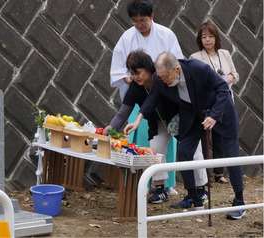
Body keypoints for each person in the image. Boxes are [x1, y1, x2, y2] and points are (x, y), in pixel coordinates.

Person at [124, 51, 245, 219]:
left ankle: (239, 201)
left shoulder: (198, 68)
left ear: (177, 69)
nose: (163, 81)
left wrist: (214, 116)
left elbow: (223, 88)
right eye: (160, 77)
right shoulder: (161, 78)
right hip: (194, 116)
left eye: (166, 77)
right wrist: (138, 120)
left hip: (221, 111)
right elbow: (152, 98)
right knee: (184, 152)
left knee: (231, 156)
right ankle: (196, 199)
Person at [105, 50, 208, 205]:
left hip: (182, 119)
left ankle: (201, 189)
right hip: (158, 124)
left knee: (194, 151)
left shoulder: (163, 78)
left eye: (138, 72)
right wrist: (109, 129)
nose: (135, 77)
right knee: (155, 151)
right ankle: (160, 190)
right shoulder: (135, 87)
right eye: (132, 73)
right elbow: (122, 113)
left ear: (148, 68)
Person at [110, 0, 184, 195]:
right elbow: (119, 69)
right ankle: (144, 182)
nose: (139, 25)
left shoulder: (166, 34)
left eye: (142, 20)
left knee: (169, 142)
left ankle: (169, 184)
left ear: (151, 16)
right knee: (147, 140)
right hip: (140, 96)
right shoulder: (127, 38)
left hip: (166, 95)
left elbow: (177, 63)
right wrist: (134, 80)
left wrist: (159, 80)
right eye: (135, 21)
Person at [190, 20, 240, 184]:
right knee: (204, 138)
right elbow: (195, 82)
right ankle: (205, 174)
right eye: (204, 37)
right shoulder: (195, 58)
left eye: (211, 36)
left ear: (216, 37)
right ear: (200, 39)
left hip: (226, 102)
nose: (207, 40)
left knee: (220, 138)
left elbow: (235, 74)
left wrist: (231, 77)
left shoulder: (225, 53)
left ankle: (219, 173)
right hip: (207, 104)